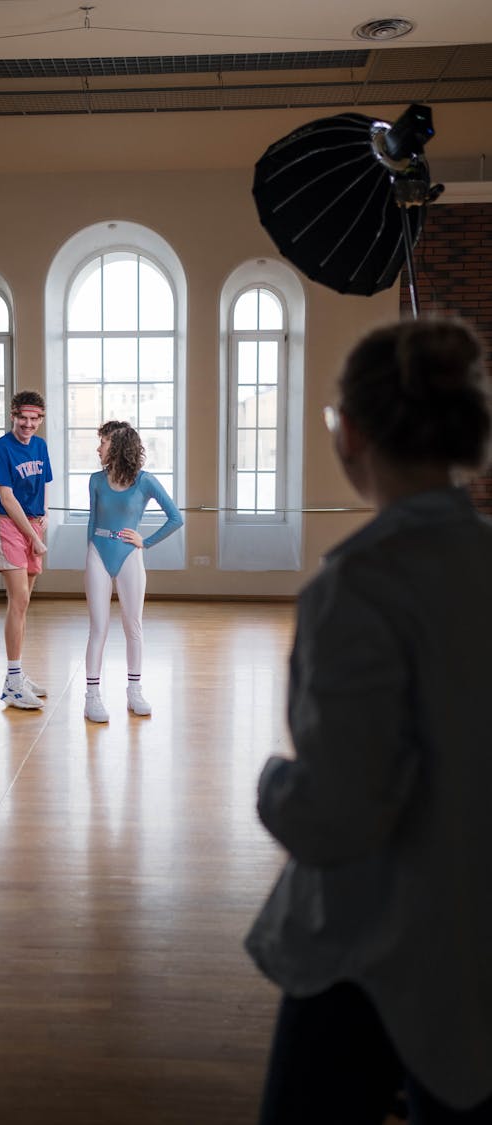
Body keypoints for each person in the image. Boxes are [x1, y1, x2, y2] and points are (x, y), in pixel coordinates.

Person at [245, 317, 492, 1124]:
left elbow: (341, 816)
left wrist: (274, 785)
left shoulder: (355, 587)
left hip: (378, 942)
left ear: (348, 431)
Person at [84, 420, 183, 723]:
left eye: (103, 442)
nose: (98, 447)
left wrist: (146, 542)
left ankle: (134, 690)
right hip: (98, 554)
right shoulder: (96, 481)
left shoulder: (146, 482)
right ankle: (92, 696)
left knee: (133, 626)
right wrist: (89, 554)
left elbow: (175, 518)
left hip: (130, 556)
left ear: (117, 445)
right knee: (98, 627)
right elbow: (92, 522)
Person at [0, 390, 52, 710]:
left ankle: (19, 673)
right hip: (11, 525)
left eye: (33, 419)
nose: (27, 424)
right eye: (22, 418)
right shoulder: (1, 449)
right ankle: (12, 683)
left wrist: (45, 518)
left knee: (24, 605)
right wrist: (33, 536)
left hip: (34, 524)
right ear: (13, 415)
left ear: (40, 419)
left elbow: (45, 484)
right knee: (19, 600)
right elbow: (7, 498)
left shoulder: (40, 446)